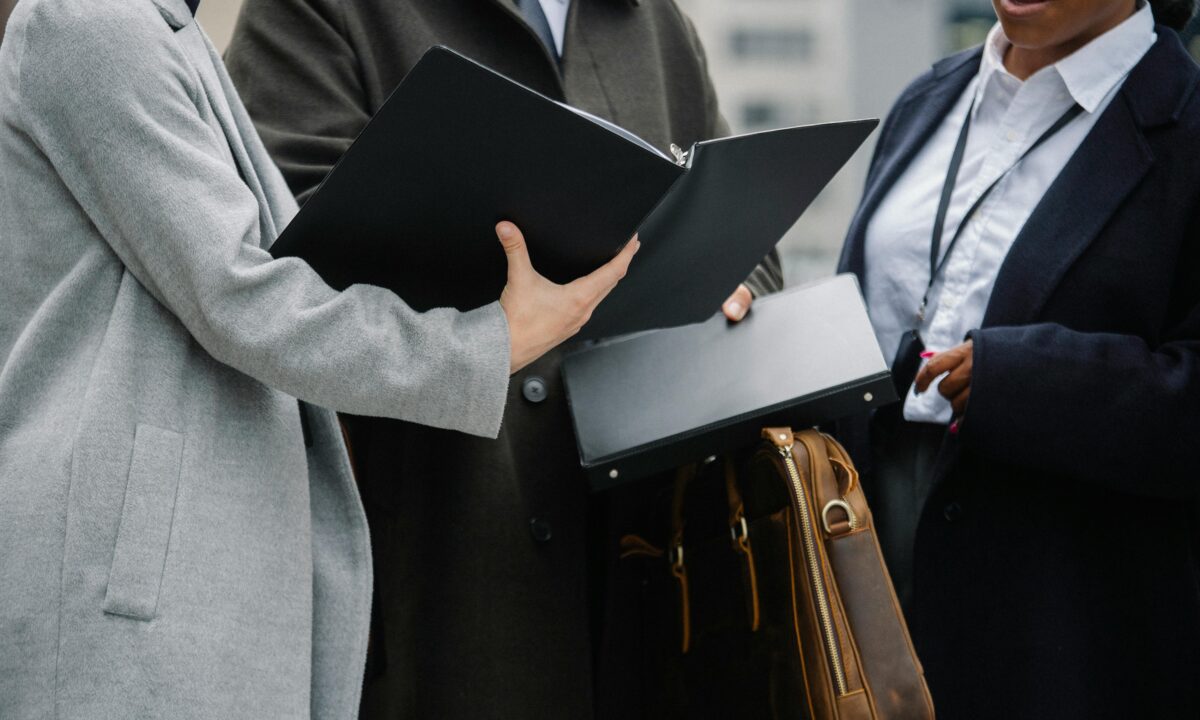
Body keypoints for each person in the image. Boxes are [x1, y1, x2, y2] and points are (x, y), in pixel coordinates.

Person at [0, 0, 640, 716]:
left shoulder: (157, 34)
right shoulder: (88, 22)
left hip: (192, 570)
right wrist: (488, 346)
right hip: (129, 582)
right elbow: (238, 296)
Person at [224, 2, 783, 718]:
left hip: (653, 585)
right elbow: (287, 270)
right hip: (441, 575)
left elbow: (747, 230)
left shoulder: (652, 20)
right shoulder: (318, 9)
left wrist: (724, 279)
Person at [838, 0, 1200, 717]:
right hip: (869, 620)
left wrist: (1025, 382)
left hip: (1066, 643)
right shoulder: (928, 98)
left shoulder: (1188, 132)